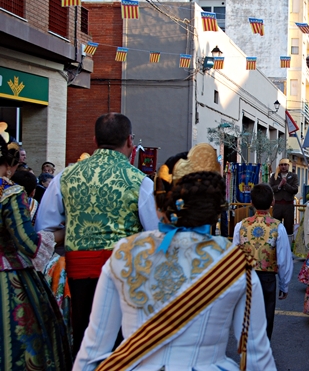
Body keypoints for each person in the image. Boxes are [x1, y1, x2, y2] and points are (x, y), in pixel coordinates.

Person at [74, 143, 276, 370]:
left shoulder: (124, 253)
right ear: (215, 206)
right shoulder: (236, 263)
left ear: (160, 203)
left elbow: (92, 351)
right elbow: (257, 357)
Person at [36, 113, 160, 356]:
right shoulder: (140, 181)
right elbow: (155, 234)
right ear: (130, 141)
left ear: (94, 140)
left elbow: (45, 228)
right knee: (121, 343)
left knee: (85, 337)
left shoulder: (65, 177)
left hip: (78, 272)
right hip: (124, 272)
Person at [0, 137, 72, 370]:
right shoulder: (9, 193)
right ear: (8, 164)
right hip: (8, 276)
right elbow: (28, 244)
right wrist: (62, 234)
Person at [233, 183, 292, 340]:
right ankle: (262, 349)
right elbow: (283, 260)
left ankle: (245, 348)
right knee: (266, 314)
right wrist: (284, 284)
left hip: (245, 276)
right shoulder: (278, 227)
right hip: (267, 278)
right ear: (272, 202)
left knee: (245, 312)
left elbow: (234, 255)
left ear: (251, 202)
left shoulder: (241, 225)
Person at [268, 158, 299, 242]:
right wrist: (280, 185)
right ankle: (274, 244)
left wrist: (286, 185)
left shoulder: (293, 176)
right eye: (281, 165)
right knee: (276, 225)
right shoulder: (274, 175)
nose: (283, 167)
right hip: (277, 205)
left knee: (289, 226)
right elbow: (270, 188)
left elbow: (295, 190)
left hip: (288, 205)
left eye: (285, 165)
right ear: (279, 166)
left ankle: (288, 245)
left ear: (288, 166)